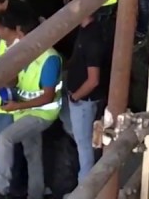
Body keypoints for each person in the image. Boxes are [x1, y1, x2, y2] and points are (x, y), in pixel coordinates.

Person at [0, 9, 62, 199]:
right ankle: (36, 194)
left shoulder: (49, 59)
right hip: (26, 111)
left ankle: (0, 188)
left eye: (21, 35)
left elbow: (47, 97)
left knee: (5, 138)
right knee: (32, 154)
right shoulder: (27, 52)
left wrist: (16, 107)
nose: (19, 39)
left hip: (42, 114)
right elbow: (18, 79)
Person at [61, 11, 110, 183]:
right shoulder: (86, 30)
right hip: (80, 99)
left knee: (85, 145)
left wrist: (76, 97)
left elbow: (93, 80)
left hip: (84, 101)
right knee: (85, 141)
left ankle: (86, 187)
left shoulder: (92, 39)